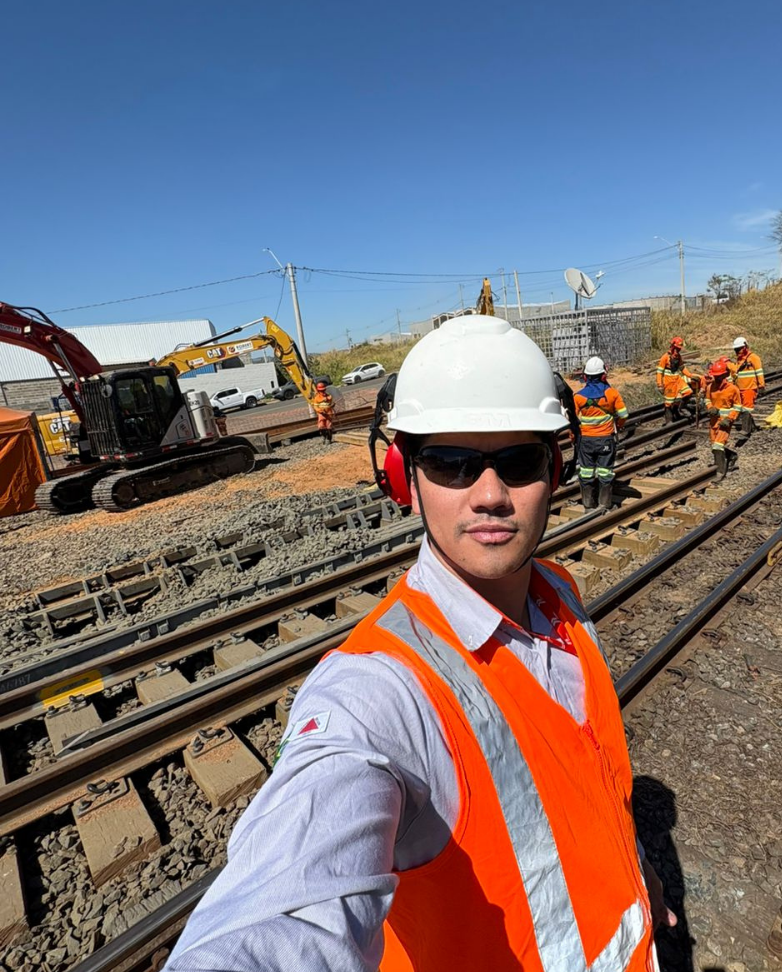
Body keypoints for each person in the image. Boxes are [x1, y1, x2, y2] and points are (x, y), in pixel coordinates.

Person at [165, 315, 670, 972]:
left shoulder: (559, 593)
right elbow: (286, 907)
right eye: (451, 464)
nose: (490, 496)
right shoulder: (377, 694)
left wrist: (638, 873)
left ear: (557, 470)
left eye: (518, 462)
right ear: (404, 477)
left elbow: (589, 782)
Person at [574, 355, 629, 509]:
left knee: (586, 472)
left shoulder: (578, 397)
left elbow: (572, 421)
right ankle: (604, 504)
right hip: (606, 439)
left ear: (585, 377)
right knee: (605, 473)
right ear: (604, 375)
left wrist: (574, 437)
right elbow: (624, 415)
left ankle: (588, 505)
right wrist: (619, 424)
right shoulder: (612, 394)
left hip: (586, 441)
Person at [705, 357, 741, 478]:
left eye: (720, 376)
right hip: (714, 421)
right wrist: (710, 407)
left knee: (718, 445)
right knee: (714, 446)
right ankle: (731, 456)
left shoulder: (733, 389)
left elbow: (737, 407)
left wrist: (729, 419)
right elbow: (707, 399)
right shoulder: (710, 387)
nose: (717, 378)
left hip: (725, 423)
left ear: (725, 374)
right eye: (716, 376)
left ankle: (720, 472)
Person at [656, 337, 702, 424]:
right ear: (673, 346)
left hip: (677, 379)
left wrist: (690, 375)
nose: (678, 350)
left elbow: (682, 367)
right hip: (668, 381)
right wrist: (660, 384)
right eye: (677, 348)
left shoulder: (678, 357)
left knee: (688, 392)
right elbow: (659, 372)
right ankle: (669, 421)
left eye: (679, 349)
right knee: (669, 403)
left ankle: (681, 408)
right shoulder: (665, 357)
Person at [727, 337, 765, 436]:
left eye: (738, 349)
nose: (737, 351)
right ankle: (751, 427)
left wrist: (761, 386)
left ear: (745, 347)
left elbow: (759, 372)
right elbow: (736, 372)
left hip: (749, 388)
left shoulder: (753, 358)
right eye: (736, 349)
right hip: (740, 388)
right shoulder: (739, 360)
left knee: (746, 409)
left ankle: (746, 430)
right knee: (742, 408)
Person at [313, 379, 335, 443]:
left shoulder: (329, 396)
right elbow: (315, 406)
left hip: (328, 413)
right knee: (321, 427)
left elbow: (331, 403)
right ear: (318, 390)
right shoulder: (317, 398)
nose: (322, 391)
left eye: (323, 390)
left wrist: (332, 405)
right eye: (321, 390)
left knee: (329, 427)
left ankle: (329, 438)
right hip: (321, 414)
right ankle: (324, 437)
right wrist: (320, 411)